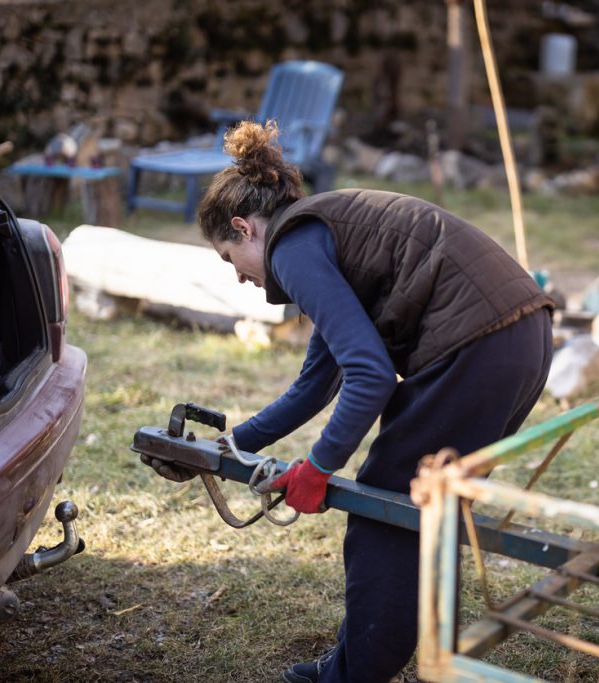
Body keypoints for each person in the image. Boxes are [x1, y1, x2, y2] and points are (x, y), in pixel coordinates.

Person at [147, 120, 554, 683]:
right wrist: (229, 445)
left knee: (386, 514)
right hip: (522, 335)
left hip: (477, 344)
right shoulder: (324, 235)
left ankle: (352, 675)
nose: (239, 279)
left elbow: (369, 376)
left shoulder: (294, 247)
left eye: (228, 258)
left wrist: (319, 467)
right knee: (424, 512)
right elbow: (316, 383)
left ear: (244, 228)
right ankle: (367, 662)